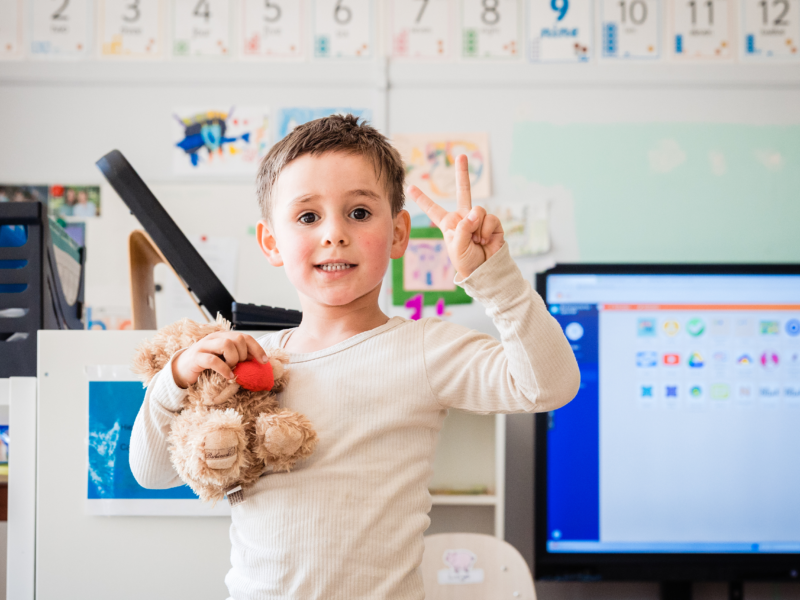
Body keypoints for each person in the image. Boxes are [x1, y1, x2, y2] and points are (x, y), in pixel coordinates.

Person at [130, 115, 580, 600]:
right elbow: (152, 473)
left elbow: (550, 385)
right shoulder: (244, 363)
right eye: (308, 217)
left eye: (360, 213)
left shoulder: (424, 349)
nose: (334, 234)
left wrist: (496, 277)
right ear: (271, 242)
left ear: (399, 233)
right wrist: (172, 380)